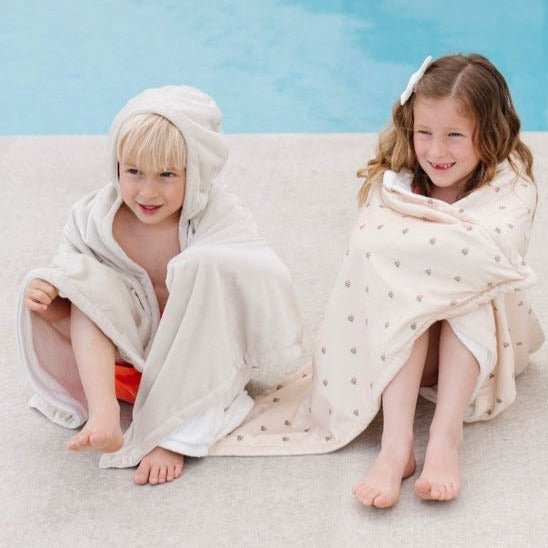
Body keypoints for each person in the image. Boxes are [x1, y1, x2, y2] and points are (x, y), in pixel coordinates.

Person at [19, 86, 302, 485]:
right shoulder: (96, 218)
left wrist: (205, 266)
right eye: (133, 172)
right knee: (83, 286)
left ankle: (176, 433)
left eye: (167, 175)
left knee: (212, 270)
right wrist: (55, 295)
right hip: (128, 361)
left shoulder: (217, 217)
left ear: (195, 173)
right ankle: (103, 412)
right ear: (116, 165)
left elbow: (262, 274)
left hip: (195, 354)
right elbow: (70, 265)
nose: (148, 192)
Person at [349, 54, 543, 506]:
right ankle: (396, 446)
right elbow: (368, 249)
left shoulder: (511, 187)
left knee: (461, 290)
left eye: (455, 135)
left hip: (480, 346)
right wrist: (435, 258)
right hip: (399, 342)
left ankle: (444, 438)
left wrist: (420, 256)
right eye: (425, 133)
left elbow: (492, 256)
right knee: (416, 289)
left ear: (489, 132)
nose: (436, 152)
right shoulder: (397, 182)